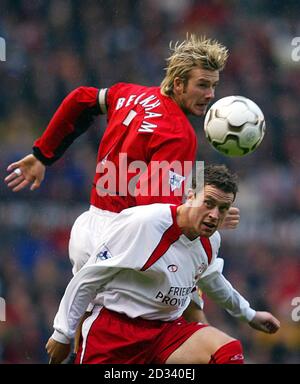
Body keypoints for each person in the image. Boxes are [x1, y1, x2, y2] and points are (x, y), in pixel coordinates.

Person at [4, 35, 238, 324]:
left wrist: (42, 154)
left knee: (91, 324)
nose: (210, 94)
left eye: (213, 85)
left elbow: (80, 99)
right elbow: (154, 211)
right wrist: (203, 215)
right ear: (178, 84)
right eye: (203, 84)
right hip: (124, 243)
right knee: (185, 315)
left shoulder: (128, 94)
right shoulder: (179, 134)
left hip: (88, 228)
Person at [45, 165, 280, 364]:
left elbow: (211, 278)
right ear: (190, 196)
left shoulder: (210, 240)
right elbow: (88, 277)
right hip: (116, 333)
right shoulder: (145, 224)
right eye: (208, 203)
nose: (214, 215)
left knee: (228, 351)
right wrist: (62, 333)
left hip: (166, 334)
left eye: (223, 209)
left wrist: (250, 314)